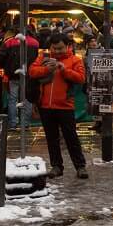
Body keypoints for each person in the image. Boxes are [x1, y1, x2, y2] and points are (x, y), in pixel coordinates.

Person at [29, 33, 88, 179]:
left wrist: (63, 70)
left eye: (60, 48)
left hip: (65, 106)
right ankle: (56, 166)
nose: (57, 51)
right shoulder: (43, 58)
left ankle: (80, 166)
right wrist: (46, 69)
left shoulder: (75, 60)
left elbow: (81, 78)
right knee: (51, 138)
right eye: (54, 48)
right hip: (46, 106)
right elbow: (32, 71)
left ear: (67, 46)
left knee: (71, 137)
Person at [0, 31, 40, 129]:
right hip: (28, 75)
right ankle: (25, 123)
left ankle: (13, 123)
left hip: (13, 75)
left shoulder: (9, 42)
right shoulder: (35, 42)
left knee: (13, 99)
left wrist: (4, 67)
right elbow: (37, 58)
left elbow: (0, 56)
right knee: (27, 99)